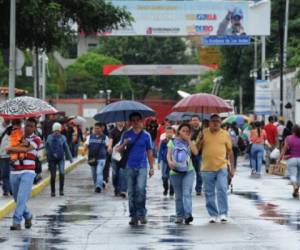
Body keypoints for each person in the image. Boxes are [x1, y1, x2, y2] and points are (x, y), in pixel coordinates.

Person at [117, 112, 154, 226]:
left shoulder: (146, 135)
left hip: (142, 166)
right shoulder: (126, 134)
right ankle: (133, 215)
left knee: (141, 190)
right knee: (132, 192)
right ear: (130, 122)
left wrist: (151, 167)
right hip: (129, 166)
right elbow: (118, 149)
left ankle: (142, 214)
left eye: (138, 120)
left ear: (141, 121)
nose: (136, 122)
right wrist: (125, 144)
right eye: (133, 120)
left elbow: (149, 151)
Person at [197, 114, 234, 223]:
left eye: (217, 121)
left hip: (221, 166)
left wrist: (232, 168)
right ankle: (213, 214)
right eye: (213, 121)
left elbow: (230, 152)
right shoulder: (203, 133)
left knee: (222, 188)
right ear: (209, 122)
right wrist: (200, 141)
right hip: (206, 167)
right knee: (209, 192)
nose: (215, 123)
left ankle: (223, 213)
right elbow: (197, 150)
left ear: (220, 123)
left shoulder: (225, 134)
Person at [6, 118, 42, 230]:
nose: (28, 128)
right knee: (17, 199)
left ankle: (16, 221)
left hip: (28, 172)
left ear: (35, 128)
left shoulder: (37, 139)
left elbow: (27, 149)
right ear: (23, 125)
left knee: (22, 198)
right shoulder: (16, 135)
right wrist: (14, 148)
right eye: (27, 125)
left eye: (31, 126)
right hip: (14, 170)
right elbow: (8, 149)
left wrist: (13, 149)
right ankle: (28, 215)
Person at [167, 123, 198, 225]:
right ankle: (179, 216)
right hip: (175, 171)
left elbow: (196, 152)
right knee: (178, 195)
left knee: (186, 193)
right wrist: (170, 162)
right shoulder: (172, 142)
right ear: (179, 131)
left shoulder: (190, 142)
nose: (185, 133)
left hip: (188, 171)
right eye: (183, 130)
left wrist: (189, 140)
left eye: (187, 131)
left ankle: (188, 214)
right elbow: (169, 155)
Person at [46, 122, 73, 197]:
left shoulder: (63, 137)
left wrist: (70, 158)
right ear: (53, 130)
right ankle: (53, 191)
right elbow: (46, 148)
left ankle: (61, 190)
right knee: (53, 175)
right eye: (55, 130)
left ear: (60, 130)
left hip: (61, 158)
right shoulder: (49, 137)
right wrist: (48, 157)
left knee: (62, 173)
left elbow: (66, 148)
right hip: (52, 159)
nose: (57, 132)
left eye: (58, 130)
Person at [85, 123, 109, 193]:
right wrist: (84, 150)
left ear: (102, 128)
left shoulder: (105, 137)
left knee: (99, 172)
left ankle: (98, 186)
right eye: (95, 128)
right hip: (92, 158)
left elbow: (108, 147)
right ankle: (96, 185)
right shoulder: (90, 137)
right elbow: (86, 145)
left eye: (98, 128)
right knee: (94, 174)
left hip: (101, 158)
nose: (96, 129)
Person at [278, 125, 300, 198]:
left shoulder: (288, 138)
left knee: (293, 175)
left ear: (292, 130)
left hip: (291, 159)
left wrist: (279, 159)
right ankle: (295, 191)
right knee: (299, 176)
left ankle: (295, 186)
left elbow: (284, 149)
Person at [108, 121, 127, 197]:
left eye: (122, 121)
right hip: (115, 155)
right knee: (115, 173)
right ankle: (116, 187)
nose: (121, 123)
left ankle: (123, 190)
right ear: (116, 122)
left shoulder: (127, 131)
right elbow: (110, 140)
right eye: (119, 121)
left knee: (123, 173)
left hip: (124, 155)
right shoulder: (113, 131)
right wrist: (109, 147)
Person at [157, 126, 174, 196]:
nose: (169, 134)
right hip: (164, 161)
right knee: (164, 176)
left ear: (173, 133)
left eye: (171, 132)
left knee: (172, 176)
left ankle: (172, 190)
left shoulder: (175, 141)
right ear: (165, 133)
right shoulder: (163, 142)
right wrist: (158, 162)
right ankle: (166, 188)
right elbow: (160, 151)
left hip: (172, 161)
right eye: (168, 132)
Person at [189, 115, 203, 195]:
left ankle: (198, 188)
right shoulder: (188, 130)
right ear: (191, 122)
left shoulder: (203, 131)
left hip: (199, 154)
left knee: (199, 172)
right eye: (193, 120)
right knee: (189, 172)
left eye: (196, 120)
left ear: (199, 121)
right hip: (189, 154)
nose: (195, 122)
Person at [0, 119, 12, 196]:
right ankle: (6, 189)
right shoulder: (0, 127)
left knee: (11, 173)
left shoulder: (13, 127)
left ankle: (10, 189)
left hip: (12, 154)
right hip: (2, 154)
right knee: (4, 173)